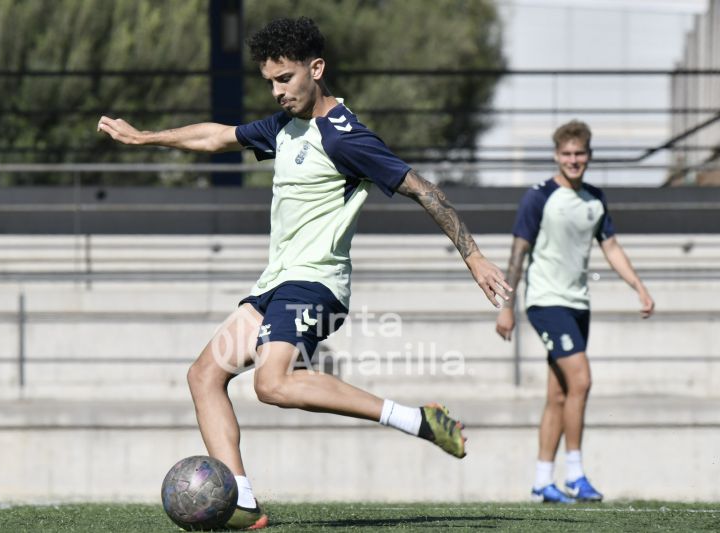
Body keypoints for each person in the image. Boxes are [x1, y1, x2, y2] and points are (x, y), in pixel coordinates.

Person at [99, 17, 510, 529]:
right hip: (275, 284)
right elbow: (216, 137)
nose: (277, 91)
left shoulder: (345, 138)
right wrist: (144, 138)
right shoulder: (283, 127)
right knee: (203, 376)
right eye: (270, 81)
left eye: (285, 78)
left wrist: (473, 255)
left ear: (316, 69)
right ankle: (243, 503)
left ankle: (416, 420)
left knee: (271, 384)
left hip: (315, 284)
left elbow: (422, 189)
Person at [495, 120, 655, 504]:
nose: (573, 160)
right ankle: (576, 474)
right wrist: (506, 307)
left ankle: (542, 482)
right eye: (566, 154)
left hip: (578, 304)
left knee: (560, 394)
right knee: (581, 380)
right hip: (546, 302)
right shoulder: (538, 197)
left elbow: (611, 247)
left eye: (579, 153)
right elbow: (517, 254)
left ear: (589, 155)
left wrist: (639, 287)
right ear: (556, 155)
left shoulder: (595, 199)